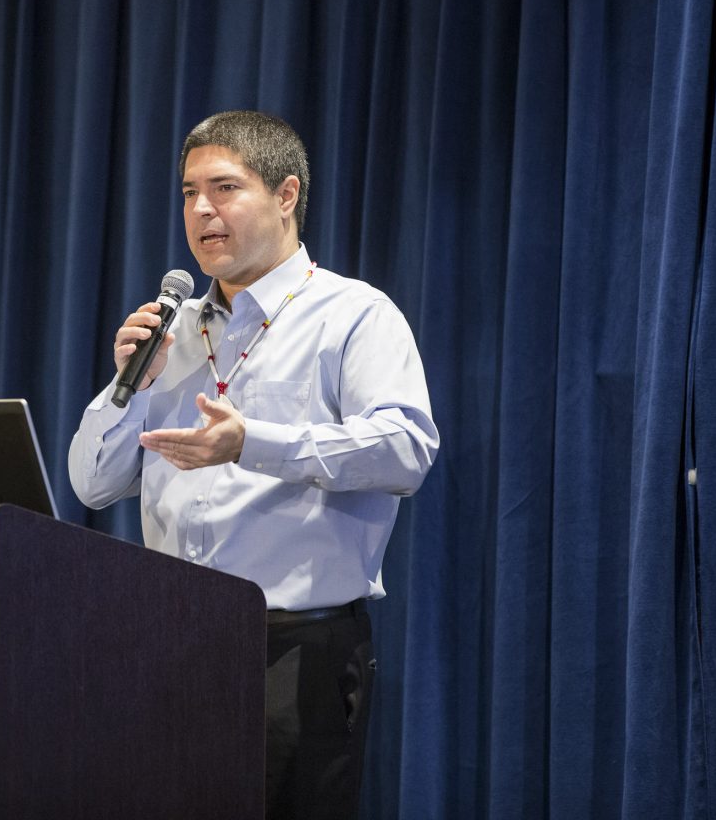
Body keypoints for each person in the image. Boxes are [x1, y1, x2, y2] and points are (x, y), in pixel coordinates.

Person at [68, 110, 439, 819]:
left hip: (296, 653)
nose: (201, 209)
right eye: (187, 193)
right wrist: (127, 389)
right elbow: (92, 481)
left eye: (224, 188)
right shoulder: (170, 331)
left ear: (287, 195)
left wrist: (253, 443)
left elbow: (405, 449)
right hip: (172, 645)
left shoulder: (353, 316)